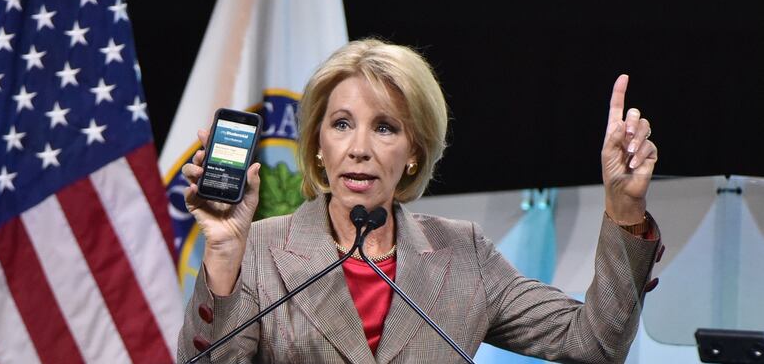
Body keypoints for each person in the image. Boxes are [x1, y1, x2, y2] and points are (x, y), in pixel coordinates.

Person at [177, 39, 662, 364]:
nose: (359, 147)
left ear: (413, 153)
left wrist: (623, 209)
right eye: (341, 124)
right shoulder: (260, 251)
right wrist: (222, 252)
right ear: (319, 146)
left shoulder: (462, 254)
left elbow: (595, 341)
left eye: (385, 127)